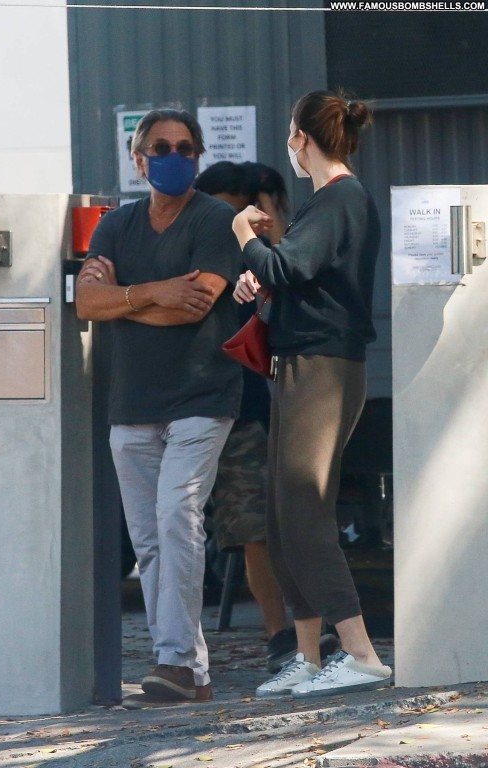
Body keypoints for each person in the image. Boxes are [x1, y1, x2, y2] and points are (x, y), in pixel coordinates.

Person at [75, 108, 243, 703]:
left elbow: (196, 305)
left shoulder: (215, 219)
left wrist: (121, 300)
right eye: (161, 147)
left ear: (197, 155)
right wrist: (152, 293)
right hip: (131, 403)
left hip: (201, 396)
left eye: (185, 147)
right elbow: (86, 304)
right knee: (148, 542)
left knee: (178, 518)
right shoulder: (116, 226)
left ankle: (176, 662)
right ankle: (188, 670)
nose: (174, 157)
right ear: (137, 158)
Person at [231, 90, 393, 698]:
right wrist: (261, 277)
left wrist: (244, 234)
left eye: (290, 134)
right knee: (283, 516)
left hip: (321, 368)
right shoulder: (328, 202)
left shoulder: (340, 198)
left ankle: (361, 653)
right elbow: (294, 276)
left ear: (301, 136)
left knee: (303, 510)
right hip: (303, 365)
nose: (289, 145)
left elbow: (285, 268)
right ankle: (307, 655)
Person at [194, 160, 340, 673]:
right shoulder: (199, 245)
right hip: (194, 400)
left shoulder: (262, 255)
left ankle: (285, 636)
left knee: (262, 525)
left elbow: (289, 280)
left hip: (248, 405)